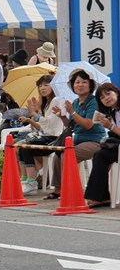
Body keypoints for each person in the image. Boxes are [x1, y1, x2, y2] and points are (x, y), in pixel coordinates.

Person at [46, 70, 107, 200]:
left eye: (84, 82)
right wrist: (62, 117)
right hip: (78, 139)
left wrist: (73, 112)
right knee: (58, 154)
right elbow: (72, 125)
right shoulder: (75, 102)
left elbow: (88, 124)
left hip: (95, 141)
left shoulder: (94, 102)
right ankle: (58, 189)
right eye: (77, 82)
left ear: (90, 85)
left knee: (68, 154)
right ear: (73, 85)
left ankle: (71, 189)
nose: (80, 85)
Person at [16, 75, 66, 193]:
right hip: (48, 136)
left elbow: (50, 124)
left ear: (54, 86)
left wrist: (35, 114)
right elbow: (44, 127)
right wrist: (35, 115)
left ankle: (31, 182)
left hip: (55, 138)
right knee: (21, 146)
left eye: (46, 85)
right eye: (40, 85)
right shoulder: (48, 103)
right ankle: (26, 179)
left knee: (25, 147)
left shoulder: (56, 100)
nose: (42, 88)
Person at [84, 83, 120, 208]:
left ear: (116, 92)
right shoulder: (113, 111)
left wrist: (111, 126)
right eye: (102, 97)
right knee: (100, 155)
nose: (106, 98)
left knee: (101, 155)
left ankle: (99, 197)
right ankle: (101, 197)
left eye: (108, 93)